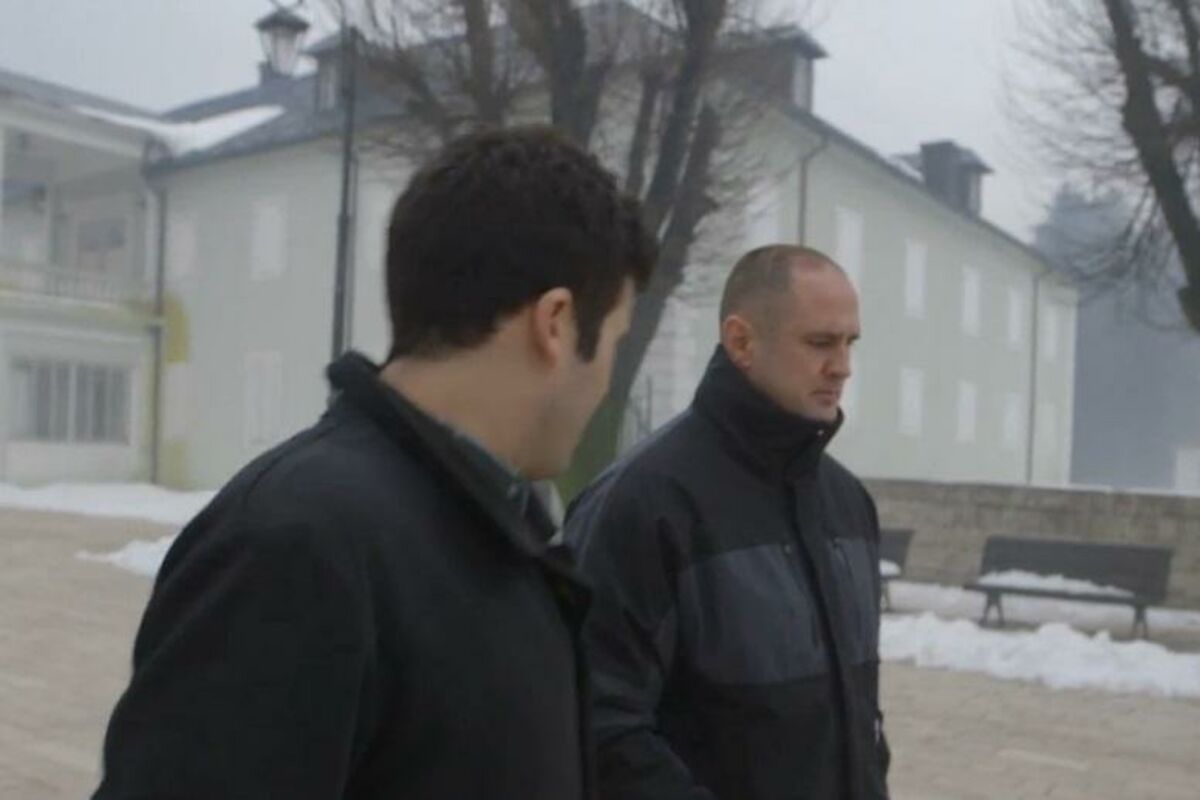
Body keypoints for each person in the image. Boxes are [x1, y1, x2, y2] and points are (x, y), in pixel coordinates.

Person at [93, 125, 657, 800]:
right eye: (616, 341)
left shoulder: (491, 528)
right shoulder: (297, 541)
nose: (607, 380)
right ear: (556, 322)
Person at [565, 245, 890, 800]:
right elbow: (600, 726)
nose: (843, 366)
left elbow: (859, 715)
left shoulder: (849, 503)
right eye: (820, 342)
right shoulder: (643, 502)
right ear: (741, 341)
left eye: (849, 342)